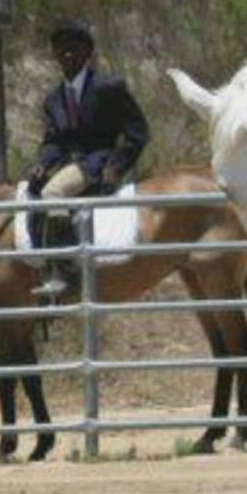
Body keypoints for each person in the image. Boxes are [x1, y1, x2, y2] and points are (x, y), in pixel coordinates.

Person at [28, 19, 150, 297]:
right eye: (61, 49)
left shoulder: (109, 88)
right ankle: (40, 262)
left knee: (54, 193)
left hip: (96, 161)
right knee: (30, 190)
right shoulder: (53, 99)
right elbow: (53, 141)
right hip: (65, 162)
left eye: (73, 48)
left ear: (86, 52)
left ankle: (65, 273)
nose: (67, 54)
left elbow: (137, 131)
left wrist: (117, 165)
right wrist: (42, 162)